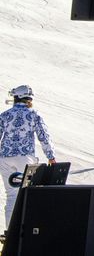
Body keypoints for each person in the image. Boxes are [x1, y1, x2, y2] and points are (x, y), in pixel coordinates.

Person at [0, 85, 56, 224]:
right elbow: (44, 136)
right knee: (27, 193)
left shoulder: (5, 115)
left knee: (11, 195)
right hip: (25, 158)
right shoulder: (33, 114)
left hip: (5, 158)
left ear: (16, 98)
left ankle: (9, 231)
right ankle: (24, 229)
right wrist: (51, 156)